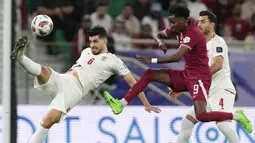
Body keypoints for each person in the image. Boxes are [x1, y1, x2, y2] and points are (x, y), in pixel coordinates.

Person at [103, 5, 252, 134]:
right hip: (187, 75)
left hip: (199, 78)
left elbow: (176, 57)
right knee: (149, 73)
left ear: (183, 21)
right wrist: (160, 42)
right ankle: (121, 104)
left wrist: (153, 60)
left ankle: (237, 116)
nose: (171, 26)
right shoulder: (178, 27)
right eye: (170, 22)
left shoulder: (193, 34)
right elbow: (158, 34)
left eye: (173, 22)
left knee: (201, 116)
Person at [10, 26, 160, 143]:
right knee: (43, 71)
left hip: (75, 90)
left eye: (96, 41)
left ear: (104, 41)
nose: (92, 45)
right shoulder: (87, 51)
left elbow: (134, 84)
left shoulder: (114, 61)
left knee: (48, 120)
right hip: (64, 78)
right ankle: (20, 56)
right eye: (90, 41)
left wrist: (146, 104)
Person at [173, 10, 240, 143]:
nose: (199, 24)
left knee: (223, 125)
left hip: (222, 90)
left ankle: (238, 119)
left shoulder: (218, 41)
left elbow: (218, 64)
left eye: (203, 22)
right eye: (198, 22)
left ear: (212, 25)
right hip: (208, 94)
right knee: (187, 122)